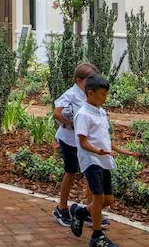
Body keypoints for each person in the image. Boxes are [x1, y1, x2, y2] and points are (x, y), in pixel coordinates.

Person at [68, 74, 140, 247]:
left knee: (109, 200)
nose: (105, 98)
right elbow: (83, 142)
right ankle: (97, 237)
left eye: (106, 95)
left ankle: (80, 212)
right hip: (91, 161)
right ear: (90, 93)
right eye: (102, 95)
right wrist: (98, 151)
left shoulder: (101, 112)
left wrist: (124, 152)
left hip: (103, 160)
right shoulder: (83, 114)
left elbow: (106, 139)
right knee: (98, 198)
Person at [52, 62, 96, 226]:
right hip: (69, 140)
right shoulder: (71, 94)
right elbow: (56, 113)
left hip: (85, 141)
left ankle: (91, 210)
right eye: (90, 79)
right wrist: (69, 122)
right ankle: (61, 208)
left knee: (91, 173)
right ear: (79, 79)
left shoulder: (89, 93)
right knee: (70, 172)